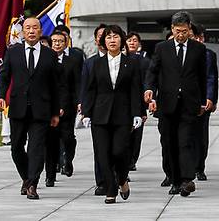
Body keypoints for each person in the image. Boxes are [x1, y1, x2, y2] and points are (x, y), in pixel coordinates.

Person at [0, 17, 65, 201]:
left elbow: (54, 85)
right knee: (16, 148)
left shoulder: (50, 55)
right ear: (23, 32)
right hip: (18, 108)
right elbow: (4, 77)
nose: (32, 31)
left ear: (41, 31)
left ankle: (33, 184)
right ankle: (26, 178)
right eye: (28, 28)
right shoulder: (13, 52)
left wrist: (55, 111)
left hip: (41, 109)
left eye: (35, 27)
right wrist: (1, 96)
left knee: (36, 148)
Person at [145, 10, 207, 197]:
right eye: (178, 31)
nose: (181, 35)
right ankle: (174, 179)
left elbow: (202, 77)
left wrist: (203, 101)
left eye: (185, 31)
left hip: (189, 103)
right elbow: (153, 72)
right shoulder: (162, 48)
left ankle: (187, 179)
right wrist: (150, 90)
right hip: (167, 104)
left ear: (189, 29)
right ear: (172, 29)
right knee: (169, 143)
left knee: (185, 141)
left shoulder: (198, 49)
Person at [82, 24, 145, 204]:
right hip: (100, 115)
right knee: (103, 154)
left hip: (123, 114)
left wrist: (138, 113)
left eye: (115, 36)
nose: (112, 40)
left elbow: (135, 89)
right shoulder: (96, 63)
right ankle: (111, 189)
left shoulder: (132, 63)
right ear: (103, 41)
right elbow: (90, 90)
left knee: (119, 152)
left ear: (121, 40)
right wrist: (86, 113)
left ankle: (122, 179)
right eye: (108, 37)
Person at [44, 29, 81, 185]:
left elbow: (76, 84)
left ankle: (68, 160)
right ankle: (50, 175)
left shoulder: (72, 60)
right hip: (48, 107)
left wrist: (78, 102)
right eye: (54, 41)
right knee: (50, 142)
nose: (57, 44)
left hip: (68, 106)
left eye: (60, 41)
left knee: (67, 137)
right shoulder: (45, 60)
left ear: (65, 43)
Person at [79, 23, 108, 195]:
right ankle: (102, 181)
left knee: (118, 149)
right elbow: (86, 88)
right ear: (97, 40)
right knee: (100, 148)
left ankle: (119, 176)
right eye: (101, 36)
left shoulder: (126, 62)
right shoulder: (90, 63)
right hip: (98, 111)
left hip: (119, 112)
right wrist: (85, 110)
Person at [191, 22, 218, 181]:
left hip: (202, 102)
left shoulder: (208, 54)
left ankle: (199, 167)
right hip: (185, 101)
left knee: (201, 137)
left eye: (196, 37)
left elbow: (211, 78)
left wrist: (210, 98)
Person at [125, 31, 150, 172]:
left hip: (138, 103)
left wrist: (143, 107)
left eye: (135, 40)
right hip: (123, 104)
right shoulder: (121, 59)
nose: (132, 43)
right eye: (129, 40)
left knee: (136, 136)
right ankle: (125, 161)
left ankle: (132, 160)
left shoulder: (145, 61)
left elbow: (146, 84)